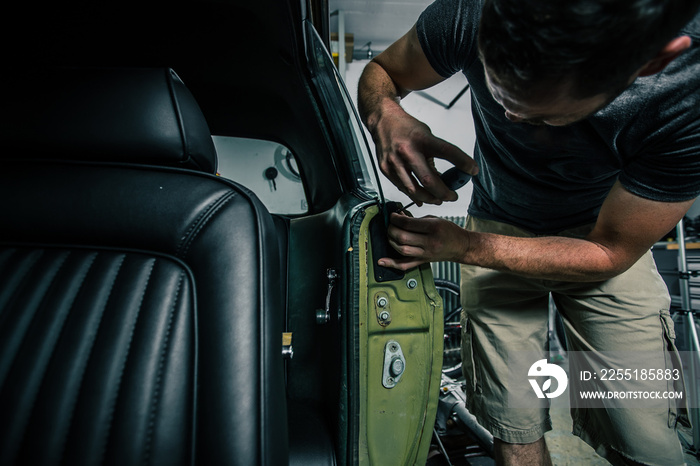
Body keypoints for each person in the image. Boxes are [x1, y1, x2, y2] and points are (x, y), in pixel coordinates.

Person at [357, 0, 700, 464]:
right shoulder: (469, 13)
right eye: (501, 98)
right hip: (497, 219)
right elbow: (383, 71)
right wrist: (386, 114)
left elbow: (610, 251)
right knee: (511, 424)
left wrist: (465, 247)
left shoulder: (687, 98)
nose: (511, 122)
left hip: (601, 239)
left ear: (650, 61)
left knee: (642, 436)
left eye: (540, 116)